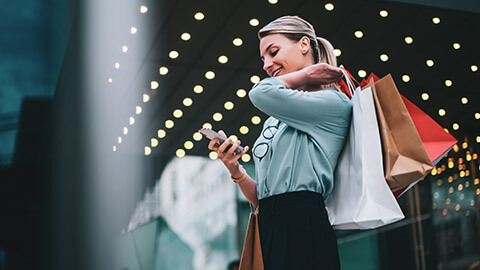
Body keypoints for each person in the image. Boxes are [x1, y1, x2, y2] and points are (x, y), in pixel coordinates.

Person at [208, 16, 352, 270]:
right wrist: (235, 169)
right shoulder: (275, 119)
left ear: (304, 44)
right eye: (262, 59)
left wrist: (305, 75)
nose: (266, 64)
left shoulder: (333, 103)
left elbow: (260, 92)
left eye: (273, 52)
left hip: (304, 224)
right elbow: (263, 198)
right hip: (270, 225)